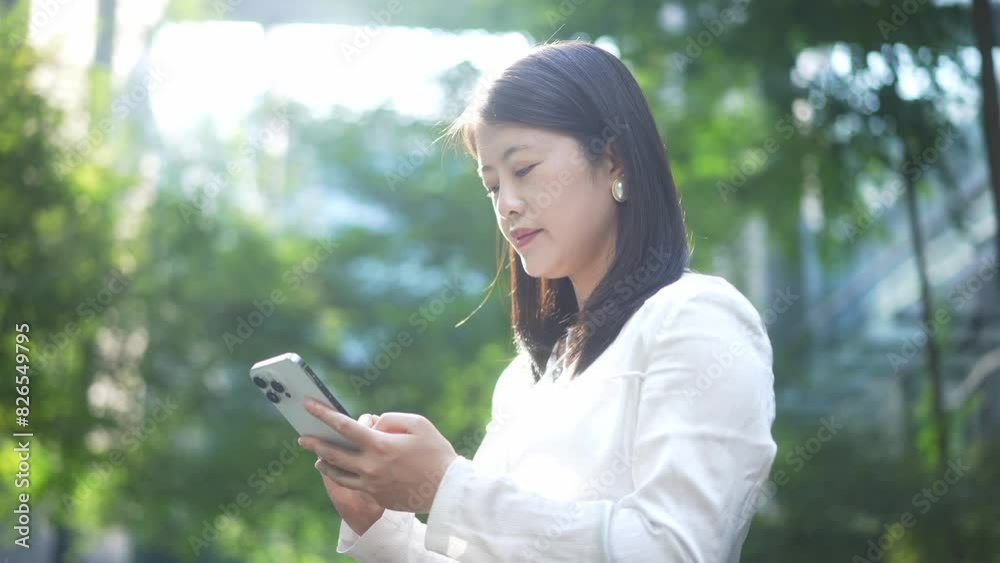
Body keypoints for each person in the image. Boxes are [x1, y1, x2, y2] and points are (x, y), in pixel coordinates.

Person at [296, 39, 777, 562]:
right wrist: (380, 528)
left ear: (613, 158)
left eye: (523, 170)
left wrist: (447, 486)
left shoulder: (694, 320)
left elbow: (677, 550)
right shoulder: (527, 379)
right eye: (492, 186)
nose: (508, 205)